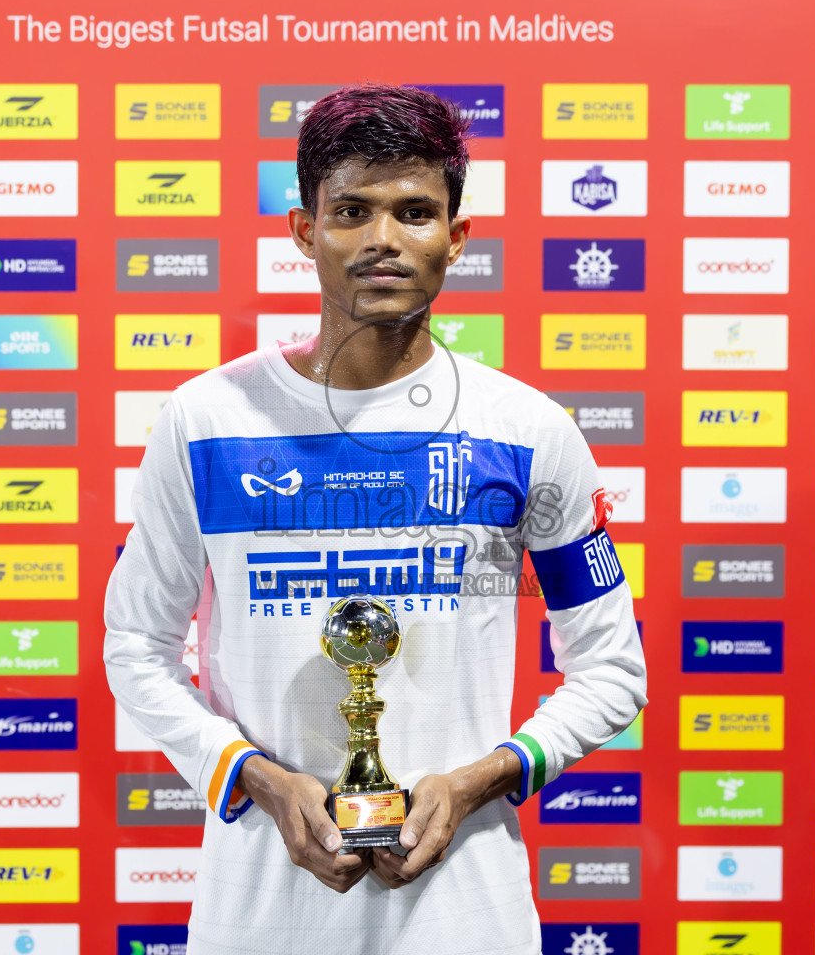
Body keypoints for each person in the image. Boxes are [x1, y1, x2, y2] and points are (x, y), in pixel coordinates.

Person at [104, 83, 647, 955]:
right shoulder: (206, 421)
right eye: (352, 210)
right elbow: (134, 645)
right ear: (303, 231)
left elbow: (612, 669)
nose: (384, 241)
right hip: (258, 919)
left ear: (456, 238)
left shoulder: (527, 429)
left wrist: (480, 779)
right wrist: (254, 779)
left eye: (415, 213)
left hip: (465, 915)